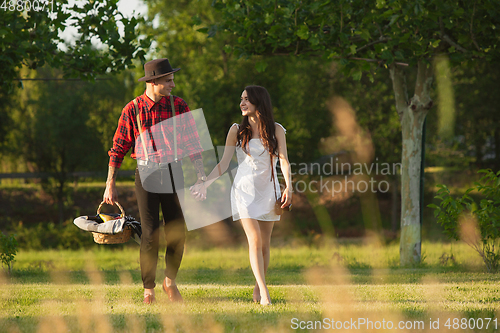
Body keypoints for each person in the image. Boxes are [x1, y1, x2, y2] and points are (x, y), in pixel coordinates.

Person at [103, 58, 207, 304]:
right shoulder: (133, 109)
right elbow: (118, 149)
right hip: (146, 173)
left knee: (177, 231)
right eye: (168, 81)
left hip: (174, 171)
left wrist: (202, 175)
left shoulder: (179, 106)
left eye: (172, 80)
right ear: (153, 82)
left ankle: (169, 282)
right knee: (150, 234)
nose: (173, 84)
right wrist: (110, 183)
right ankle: (148, 289)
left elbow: (193, 144)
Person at [190, 85, 292, 305]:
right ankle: (265, 294)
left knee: (265, 244)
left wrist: (289, 187)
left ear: (259, 102)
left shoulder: (277, 130)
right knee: (254, 239)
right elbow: (224, 163)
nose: (242, 103)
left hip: (269, 192)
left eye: (247, 99)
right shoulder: (236, 130)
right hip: (243, 192)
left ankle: (257, 287)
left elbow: (283, 160)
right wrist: (205, 183)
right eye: (241, 99)